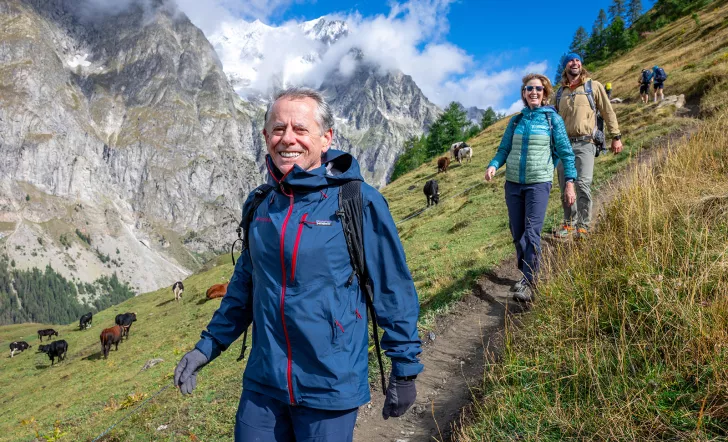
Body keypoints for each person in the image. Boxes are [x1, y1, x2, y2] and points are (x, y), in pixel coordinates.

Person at [173, 87, 423, 442]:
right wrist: (206, 347)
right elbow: (245, 286)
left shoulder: (358, 202)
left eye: (300, 129)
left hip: (330, 386)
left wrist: (405, 366)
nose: (287, 138)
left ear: (326, 138)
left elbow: (391, 287)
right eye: (278, 129)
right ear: (265, 137)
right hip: (263, 383)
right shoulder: (261, 204)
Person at [485, 74, 577, 302]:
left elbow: (566, 152)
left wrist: (570, 183)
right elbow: (503, 149)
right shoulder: (516, 121)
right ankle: (527, 271)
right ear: (524, 93)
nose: (533, 92)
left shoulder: (551, 120)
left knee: (532, 232)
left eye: (538, 88)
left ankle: (529, 281)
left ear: (545, 93)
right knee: (518, 233)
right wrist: (494, 165)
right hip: (513, 184)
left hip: (538, 184)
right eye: (529, 89)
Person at [554, 53, 622, 239]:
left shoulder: (594, 86)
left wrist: (616, 136)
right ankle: (569, 224)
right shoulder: (559, 93)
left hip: (586, 143)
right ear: (565, 66)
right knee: (565, 187)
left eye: (577, 60)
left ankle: (583, 226)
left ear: (581, 64)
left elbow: (607, 111)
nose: (575, 62)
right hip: (563, 146)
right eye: (570, 60)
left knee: (582, 184)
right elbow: (552, 119)